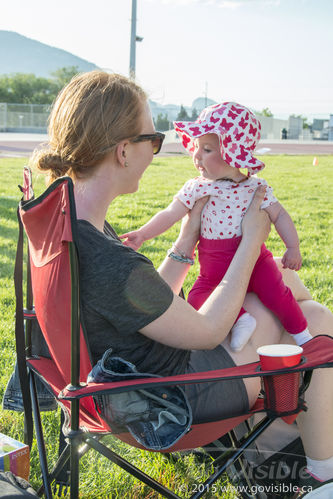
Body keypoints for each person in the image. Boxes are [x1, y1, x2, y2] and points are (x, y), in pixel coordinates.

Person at [30, 70, 333, 489]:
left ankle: (285, 442)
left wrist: (187, 238)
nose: (157, 151)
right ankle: (316, 466)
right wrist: (251, 241)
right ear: (123, 151)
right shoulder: (105, 257)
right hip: (175, 398)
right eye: (152, 140)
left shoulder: (70, 225)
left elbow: (142, 303)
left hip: (127, 385)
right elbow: (208, 332)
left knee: (296, 303)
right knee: (315, 320)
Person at [120, 102, 311, 352]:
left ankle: (304, 336)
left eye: (207, 149)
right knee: (197, 297)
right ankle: (242, 319)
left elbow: (280, 215)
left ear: (233, 153)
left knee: (277, 294)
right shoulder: (197, 187)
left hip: (256, 261)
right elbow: (170, 214)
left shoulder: (256, 188)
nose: (196, 156)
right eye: (196, 147)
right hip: (214, 266)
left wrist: (292, 247)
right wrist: (143, 234)